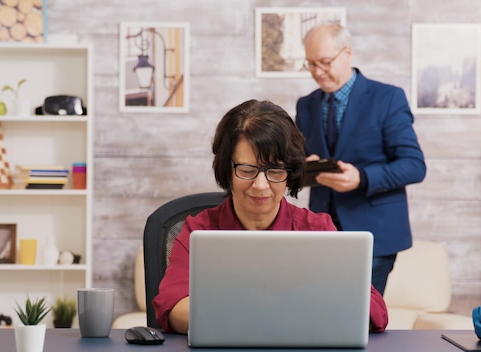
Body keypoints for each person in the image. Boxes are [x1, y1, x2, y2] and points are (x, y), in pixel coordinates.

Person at [152, 99, 388, 334]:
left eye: (275, 171)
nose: (261, 185)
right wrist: (279, 314)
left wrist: (242, 313)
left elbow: (373, 310)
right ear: (226, 169)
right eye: (246, 170)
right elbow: (173, 308)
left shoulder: (316, 229)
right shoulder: (199, 231)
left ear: (290, 173)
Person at [295, 23, 426, 295]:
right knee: (319, 313)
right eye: (310, 64)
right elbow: (296, 163)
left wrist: (362, 178)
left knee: (362, 321)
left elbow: (414, 165)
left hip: (374, 232)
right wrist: (304, 164)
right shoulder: (305, 105)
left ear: (347, 53)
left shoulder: (387, 98)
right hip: (320, 233)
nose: (318, 72)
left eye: (325, 62)